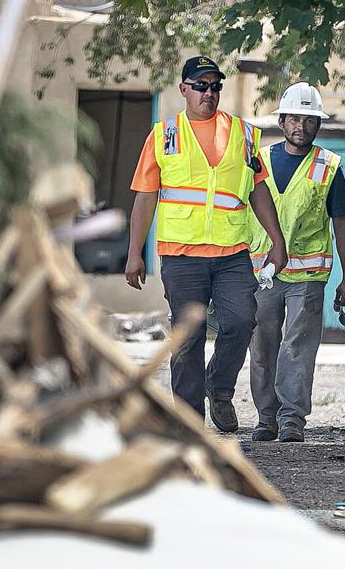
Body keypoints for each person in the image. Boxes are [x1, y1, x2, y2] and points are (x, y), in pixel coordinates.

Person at [124, 56, 287, 432]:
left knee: (242, 321)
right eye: (200, 86)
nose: (209, 93)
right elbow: (146, 196)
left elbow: (258, 190)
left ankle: (219, 385)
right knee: (187, 336)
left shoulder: (244, 134)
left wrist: (277, 241)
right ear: (183, 89)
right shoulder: (164, 134)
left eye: (215, 86)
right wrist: (135, 253)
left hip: (232, 253)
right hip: (181, 256)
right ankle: (188, 422)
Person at [247, 82, 345, 443]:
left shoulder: (329, 166)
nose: (301, 127)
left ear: (318, 125)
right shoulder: (256, 161)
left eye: (309, 121)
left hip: (308, 275)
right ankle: (267, 418)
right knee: (262, 345)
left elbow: (342, 223)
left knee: (297, 346)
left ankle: (292, 418)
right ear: (281, 120)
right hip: (262, 272)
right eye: (294, 118)